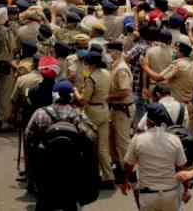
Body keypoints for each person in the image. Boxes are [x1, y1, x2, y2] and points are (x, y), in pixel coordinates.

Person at [25, 80, 98, 211]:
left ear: (54, 95)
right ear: (71, 96)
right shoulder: (77, 114)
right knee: (71, 202)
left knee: (44, 200)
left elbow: (28, 136)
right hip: (71, 167)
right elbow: (90, 137)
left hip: (46, 166)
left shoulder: (40, 113)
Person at [121, 103, 189, 211]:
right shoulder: (174, 140)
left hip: (148, 196)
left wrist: (124, 182)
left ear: (148, 122)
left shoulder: (138, 140)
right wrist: (186, 189)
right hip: (170, 195)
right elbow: (181, 168)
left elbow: (128, 165)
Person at [78, 50, 114, 187]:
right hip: (104, 109)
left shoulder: (91, 78)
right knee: (103, 148)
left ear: (90, 64)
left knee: (88, 146)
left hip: (92, 113)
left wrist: (76, 91)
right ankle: (108, 176)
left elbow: (83, 100)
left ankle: (91, 175)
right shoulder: (107, 73)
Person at [106, 40, 135, 182]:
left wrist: (107, 97)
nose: (108, 54)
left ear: (116, 52)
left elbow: (125, 91)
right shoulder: (116, 66)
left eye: (110, 51)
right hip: (116, 108)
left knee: (123, 142)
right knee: (114, 140)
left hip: (122, 109)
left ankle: (129, 172)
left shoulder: (121, 69)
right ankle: (119, 166)